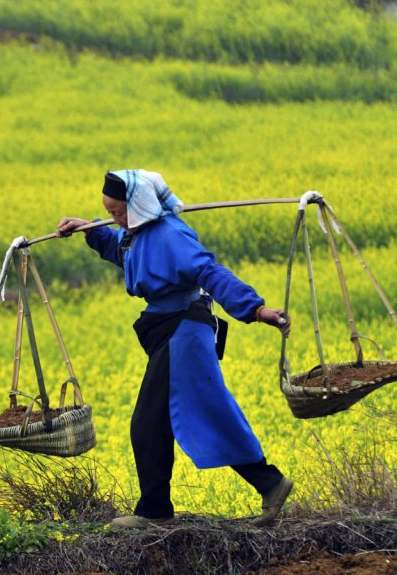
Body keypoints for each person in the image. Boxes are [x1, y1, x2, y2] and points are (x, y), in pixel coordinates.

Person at [57, 169, 293, 529]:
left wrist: (256, 310)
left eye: (118, 211)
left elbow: (211, 273)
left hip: (184, 332)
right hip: (172, 331)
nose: (114, 218)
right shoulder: (137, 234)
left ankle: (155, 511)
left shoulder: (170, 235)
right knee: (195, 415)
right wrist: (90, 230)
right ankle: (269, 484)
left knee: (149, 422)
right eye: (109, 211)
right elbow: (125, 253)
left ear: (137, 205)